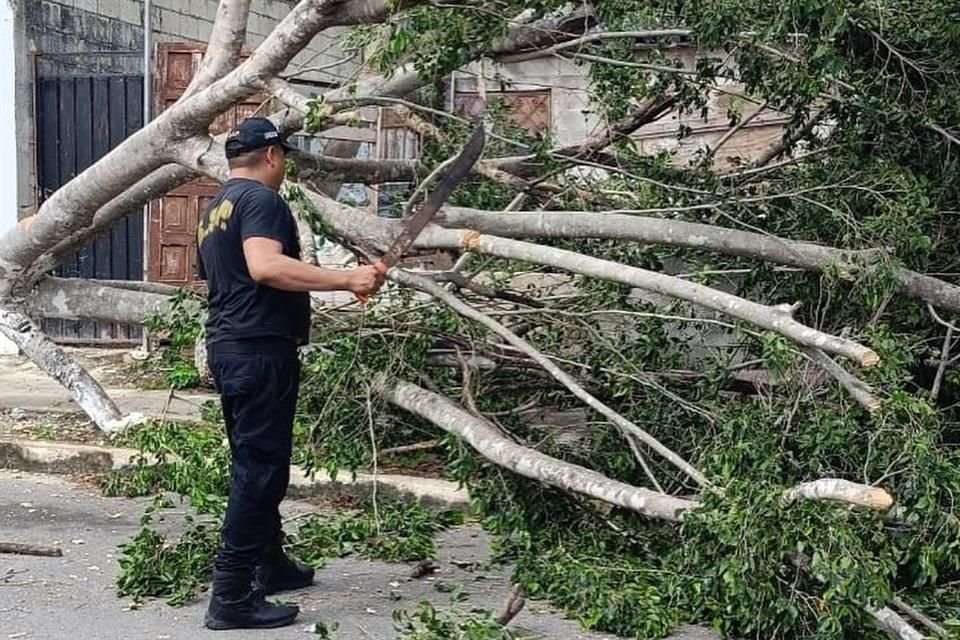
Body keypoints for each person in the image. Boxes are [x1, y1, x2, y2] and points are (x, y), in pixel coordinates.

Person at [197, 117, 383, 630]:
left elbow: (226, 279)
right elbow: (265, 267)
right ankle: (230, 597)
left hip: (232, 348)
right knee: (260, 470)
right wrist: (347, 278)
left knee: (254, 462)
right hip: (259, 352)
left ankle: (270, 563)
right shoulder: (262, 202)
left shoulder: (215, 209)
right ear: (274, 156)